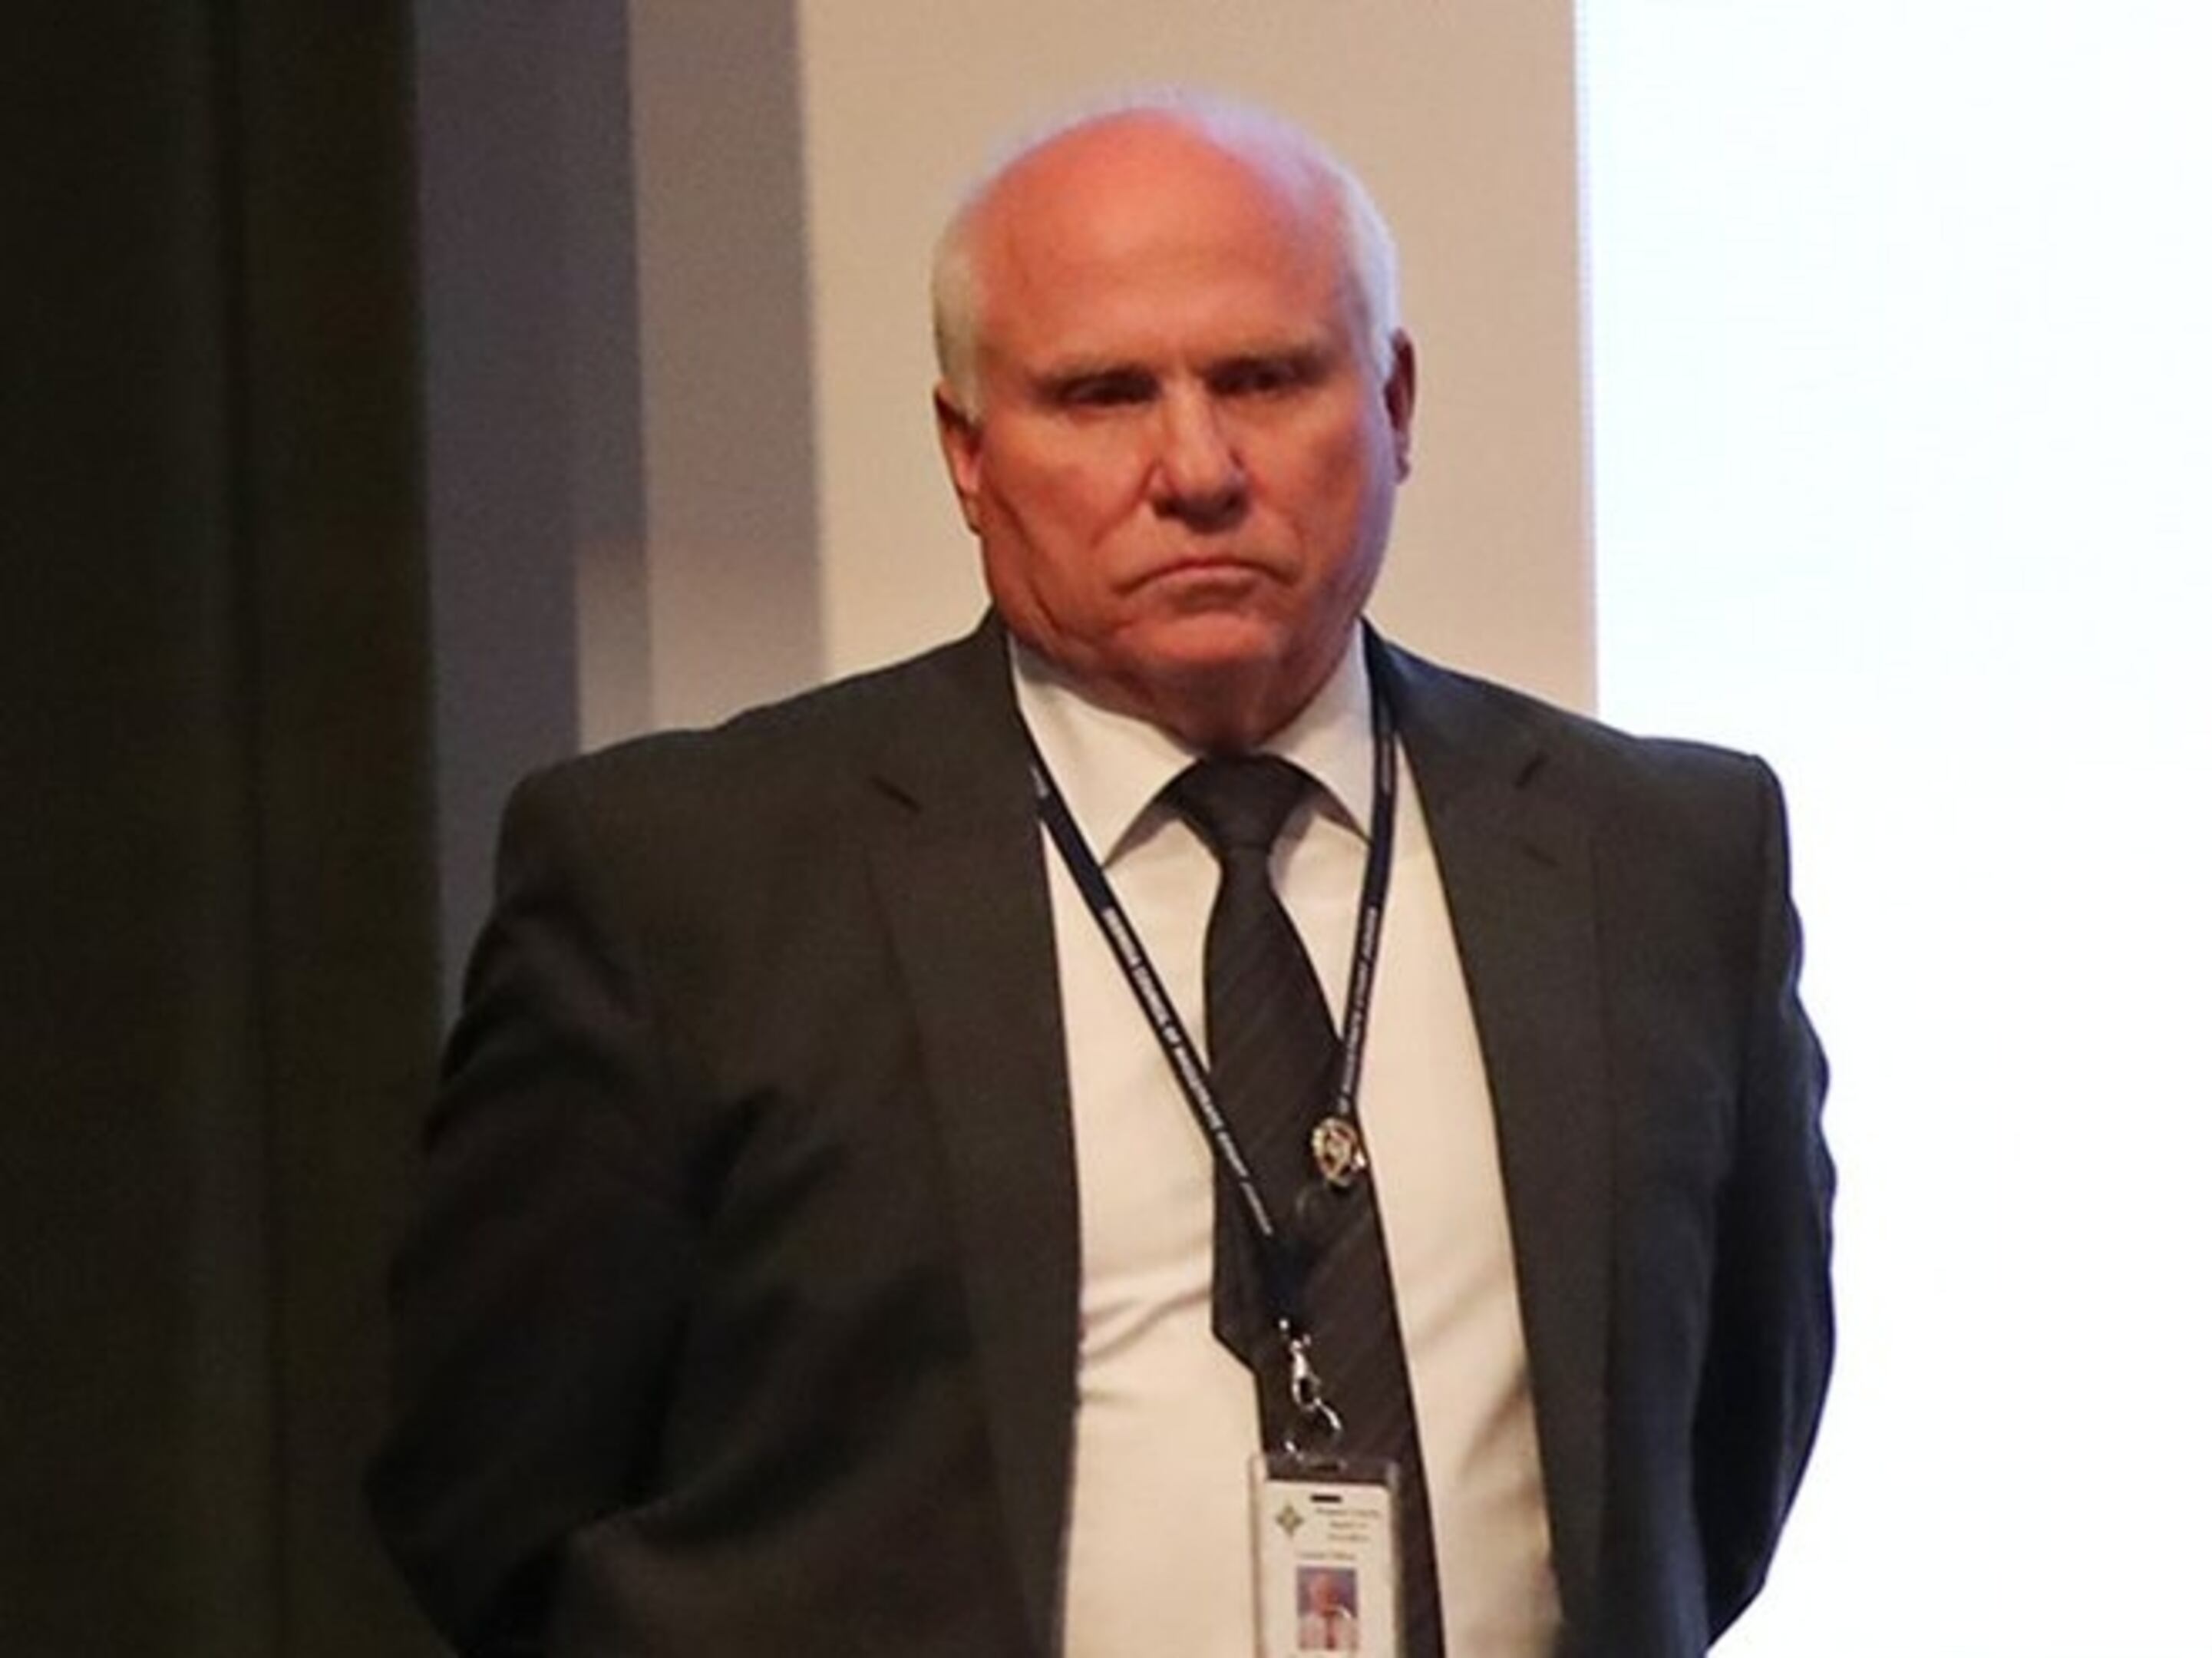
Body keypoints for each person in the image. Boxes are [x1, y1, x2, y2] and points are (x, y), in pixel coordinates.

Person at [369, 94, 1831, 1657]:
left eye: (1265, 378)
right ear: (969, 454)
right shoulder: (687, 884)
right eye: (1102, 395)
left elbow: (1705, 1480)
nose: (1196, 468)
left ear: (1395, 401)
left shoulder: (1659, 862)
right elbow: (491, 1497)